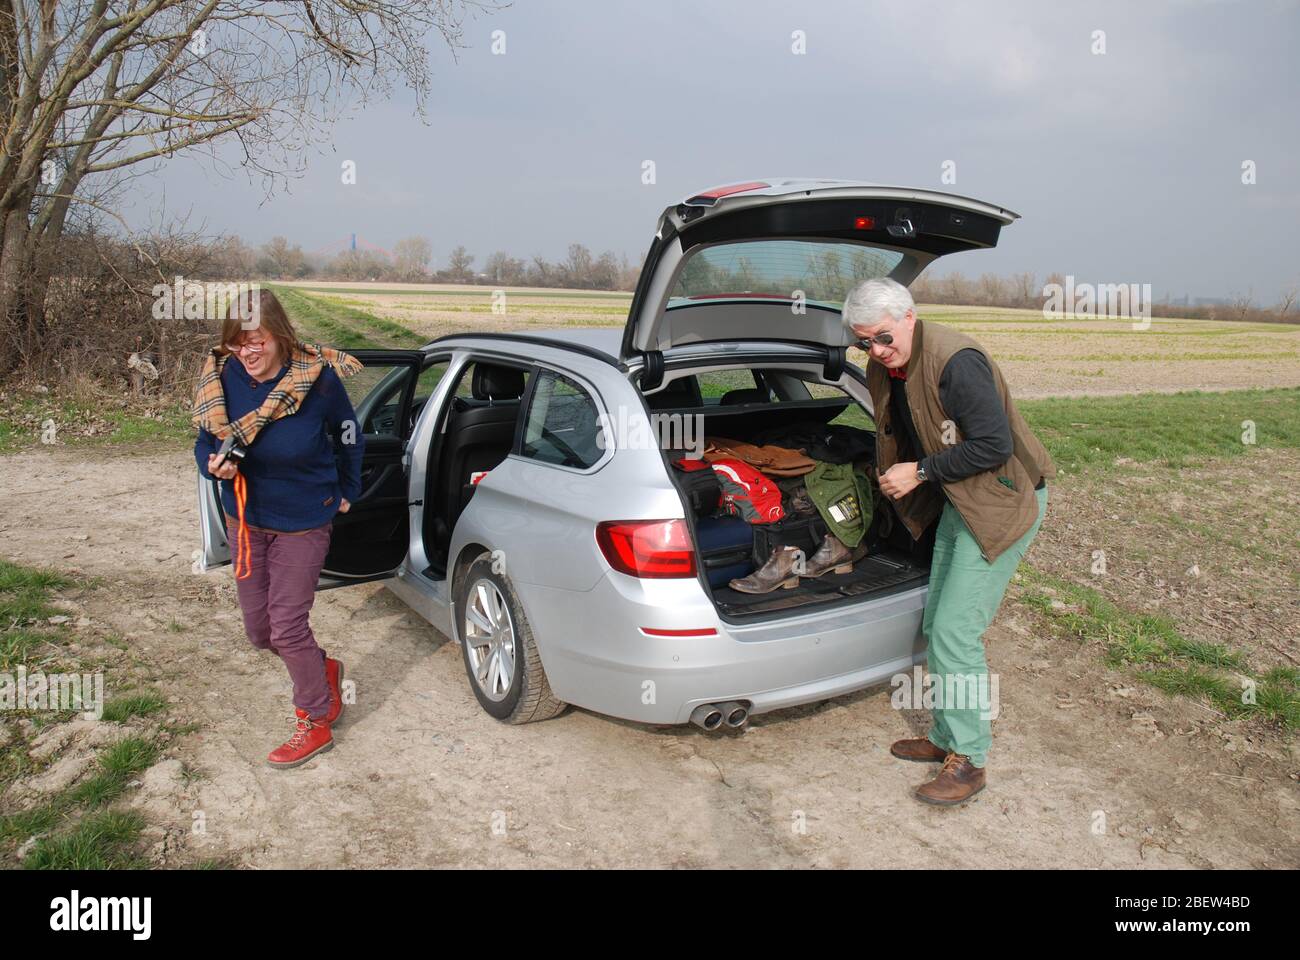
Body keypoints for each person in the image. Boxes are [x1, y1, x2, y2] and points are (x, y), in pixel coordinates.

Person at [843, 277, 1056, 805]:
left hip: (1003, 500)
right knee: (938, 624)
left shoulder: (956, 361)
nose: (876, 350)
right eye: (863, 341)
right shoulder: (885, 364)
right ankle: (944, 737)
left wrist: (919, 472)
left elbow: (992, 444)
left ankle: (971, 761)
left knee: (957, 633)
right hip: (962, 500)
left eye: (884, 337)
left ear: (910, 317)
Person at [192, 288, 365, 769]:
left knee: (287, 629)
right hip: (246, 517)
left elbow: (350, 434)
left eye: (257, 341)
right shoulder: (221, 376)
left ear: (281, 337)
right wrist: (212, 467)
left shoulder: (318, 380)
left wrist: (350, 487)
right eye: (237, 342)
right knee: (260, 632)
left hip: (304, 520)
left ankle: (315, 719)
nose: (246, 352)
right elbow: (205, 440)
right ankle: (323, 670)